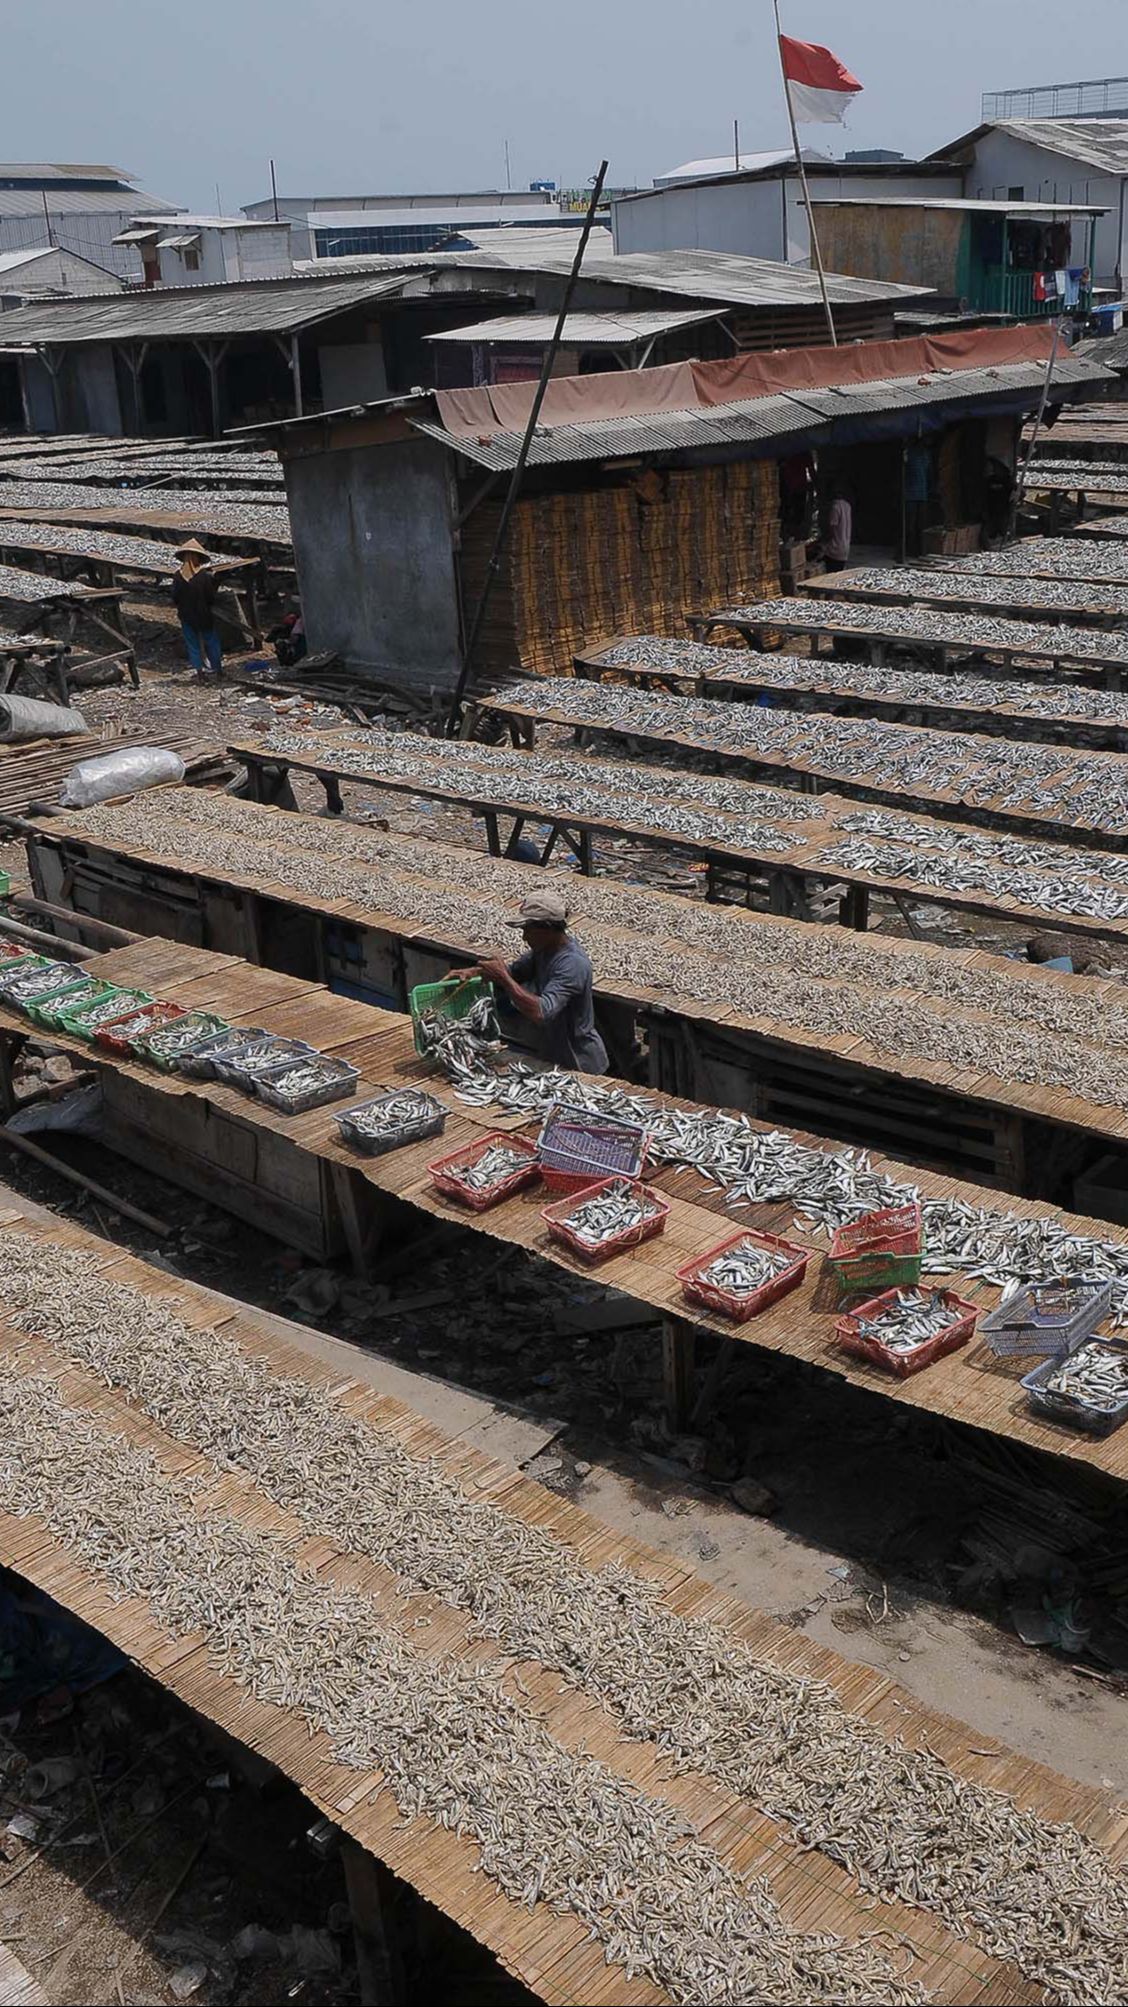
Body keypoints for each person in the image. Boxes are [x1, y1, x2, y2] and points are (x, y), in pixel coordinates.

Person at [458, 888, 609, 1074]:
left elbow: (542, 1012)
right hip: (551, 1054)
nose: (524, 937)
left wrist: (503, 978)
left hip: (578, 1061)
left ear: (546, 928)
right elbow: (514, 973)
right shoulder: (544, 951)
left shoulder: (572, 964)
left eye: (527, 930)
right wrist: (477, 972)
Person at [171, 539, 223, 681]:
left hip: (186, 616)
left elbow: (175, 597)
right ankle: (218, 670)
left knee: (192, 644)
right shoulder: (204, 576)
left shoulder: (178, 576)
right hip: (204, 615)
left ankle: (200, 673)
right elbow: (210, 597)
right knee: (212, 642)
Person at [823, 483, 852, 572]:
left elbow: (832, 529)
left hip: (834, 549)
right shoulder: (847, 505)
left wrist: (822, 543)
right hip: (845, 547)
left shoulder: (835, 507)